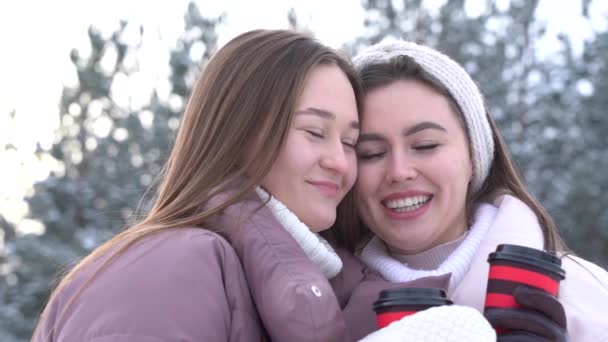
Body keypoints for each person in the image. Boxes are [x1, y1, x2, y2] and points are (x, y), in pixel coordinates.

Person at [33, 30, 495, 342]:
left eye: (352, 143)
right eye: (314, 132)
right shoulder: (167, 268)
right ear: (240, 133)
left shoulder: (325, 286)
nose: (340, 161)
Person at [329, 40, 608, 341]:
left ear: (475, 157)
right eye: (370, 153)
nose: (399, 172)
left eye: (426, 145)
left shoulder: (583, 294)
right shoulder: (321, 309)